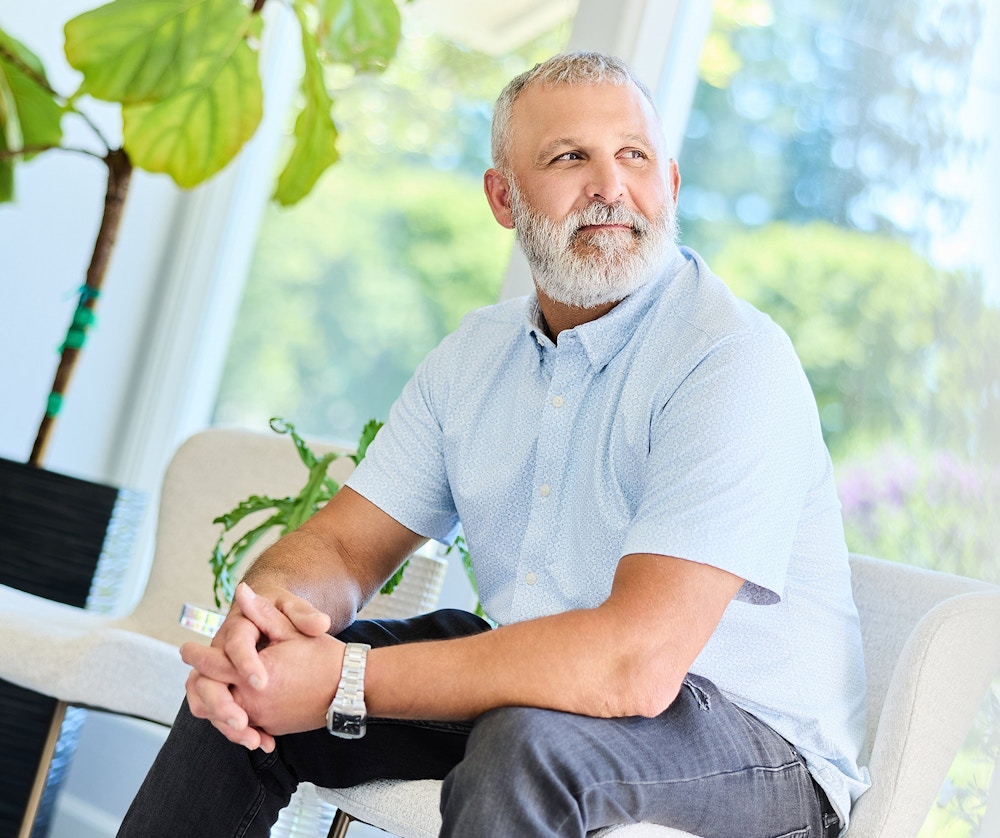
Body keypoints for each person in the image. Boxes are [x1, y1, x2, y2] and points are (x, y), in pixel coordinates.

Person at [119, 51, 869, 837]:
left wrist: (346, 677)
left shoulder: (730, 357)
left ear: (671, 185)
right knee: (254, 681)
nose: (610, 187)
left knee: (527, 746)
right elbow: (342, 548)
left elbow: (635, 666)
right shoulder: (476, 357)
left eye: (634, 156)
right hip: (545, 695)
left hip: (750, 746)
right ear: (503, 197)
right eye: (570, 157)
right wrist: (265, 624)